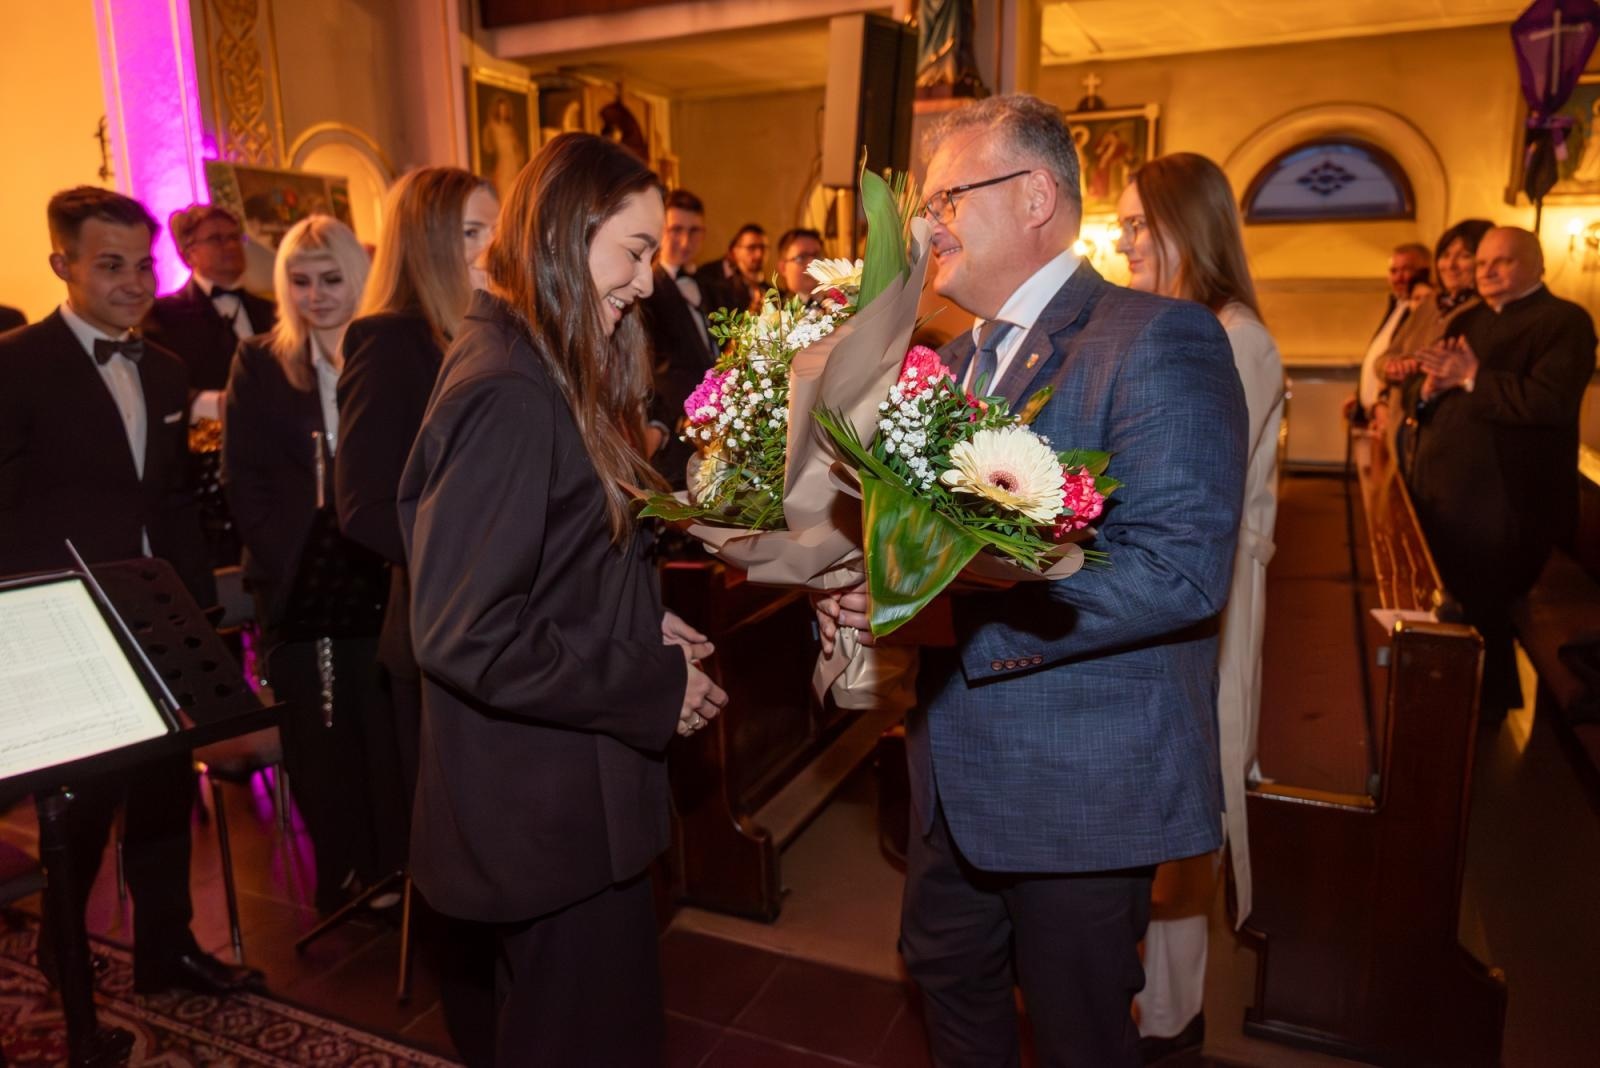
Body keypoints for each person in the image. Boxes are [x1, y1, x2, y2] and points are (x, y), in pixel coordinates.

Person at [816, 95, 1247, 1065]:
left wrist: (966, 613)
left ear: (1036, 196)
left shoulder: (1153, 339)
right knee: (946, 981)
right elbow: (935, 548)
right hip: (949, 773)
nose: (926, 229)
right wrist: (879, 588)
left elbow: (1177, 570)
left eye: (946, 201)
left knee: (1077, 1033)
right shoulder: (955, 359)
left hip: (1079, 780)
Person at [397, 132, 727, 1066]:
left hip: (564, 800)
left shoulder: (537, 362)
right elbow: (466, 634)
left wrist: (637, 614)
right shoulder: (507, 387)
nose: (646, 279)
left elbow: (545, 565)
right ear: (563, 232)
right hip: (542, 812)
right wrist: (650, 682)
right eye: (633, 250)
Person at [0, 186, 259, 995]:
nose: (135, 282)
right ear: (62, 266)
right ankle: (62, 950)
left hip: (153, 613)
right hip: (62, 620)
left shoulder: (169, 368)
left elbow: (171, 498)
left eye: (142, 264)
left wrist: (197, 615)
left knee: (163, 789)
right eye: (109, 265)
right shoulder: (15, 365)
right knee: (78, 808)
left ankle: (166, 950)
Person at [1115, 152, 1285, 1059]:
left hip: (1209, 612)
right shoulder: (1169, 324)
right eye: (1126, 224)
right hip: (1167, 598)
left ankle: (1172, 1026)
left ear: (1192, 225)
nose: (1127, 241)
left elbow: (1187, 496)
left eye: (1142, 224)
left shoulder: (1236, 337)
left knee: (1186, 811)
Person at [335, 165, 499, 1067]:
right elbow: (362, 504)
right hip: (436, 627)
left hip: (486, 628)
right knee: (453, 857)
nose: (492, 250)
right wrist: (473, 559)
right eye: (474, 234)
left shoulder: (473, 328)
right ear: (431, 241)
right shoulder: (390, 338)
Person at [222, 214, 404, 914]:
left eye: (331, 280)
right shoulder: (260, 362)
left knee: (382, 730)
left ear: (358, 279)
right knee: (321, 736)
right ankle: (347, 871)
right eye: (299, 281)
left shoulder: (382, 354)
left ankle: (392, 865)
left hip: (382, 577)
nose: (315, 295)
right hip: (301, 584)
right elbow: (248, 483)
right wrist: (300, 565)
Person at [1408, 226, 1597, 724]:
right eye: (1484, 262)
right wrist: (1427, 391)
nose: (1486, 270)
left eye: (1503, 261)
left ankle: (1484, 721)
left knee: (1486, 611)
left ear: (1538, 265)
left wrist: (1472, 377)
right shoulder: (1468, 319)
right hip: (1449, 498)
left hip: (1508, 507)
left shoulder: (1564, 322)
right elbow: (1430, 399)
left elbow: (1548, 402)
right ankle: (1447, 700)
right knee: (1451, 607)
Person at [144, 203, 277, 411]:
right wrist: (213, 404)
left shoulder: (272, 311)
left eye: (234, 237)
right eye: (216, 239)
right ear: (189, 254)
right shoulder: (163, 315)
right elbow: (156, 385)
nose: (231, 246)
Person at [1379, 219, 1493, 455]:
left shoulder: (1485, 311)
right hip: (1403, 423)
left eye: (1463, 255)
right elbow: (1386, 355)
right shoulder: (1430, 304)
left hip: (1443, 432)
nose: (1450, 265)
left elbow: (1459, 368)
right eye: (1445, 254)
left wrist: (1415, 365)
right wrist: (1390, 368)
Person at [645, 188, 720, 486]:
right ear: (660, 231)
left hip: (710, 428)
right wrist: (658, 423)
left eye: (694, 231)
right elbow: (647, 366)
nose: (685, 241)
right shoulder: (647, 288)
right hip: (672, 425)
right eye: (676, 230)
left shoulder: (711, 286)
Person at [1351, 242, 1430, 423]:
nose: (1399, 278)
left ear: (1425, 271)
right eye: (1393, 271)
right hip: (1375, 418)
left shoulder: (1421, 311)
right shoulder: (1396, 306)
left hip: (1396, 416)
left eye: (1406, 270)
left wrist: (1383, 401)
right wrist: (1360, 397)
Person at [696, 222, 765, 315]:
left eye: (763, 248)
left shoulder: (765, 286)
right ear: (734, 251)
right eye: (751, 247)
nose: (759, 255)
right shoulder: (708, 279)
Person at [480, 93, 529, 201]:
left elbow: (517, 149)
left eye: (505, 109)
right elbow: (488, 148)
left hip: (513, 166)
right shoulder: (492, 127)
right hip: (502, 165)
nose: (503, 111)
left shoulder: (510, 129)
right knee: (503, 194)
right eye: (501, 109)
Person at [773, 226, 825, 301]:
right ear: (783, 268)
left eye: (817, 256)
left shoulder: (843, 304)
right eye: (802, 257)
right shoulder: (777, 311)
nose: (812, 263)